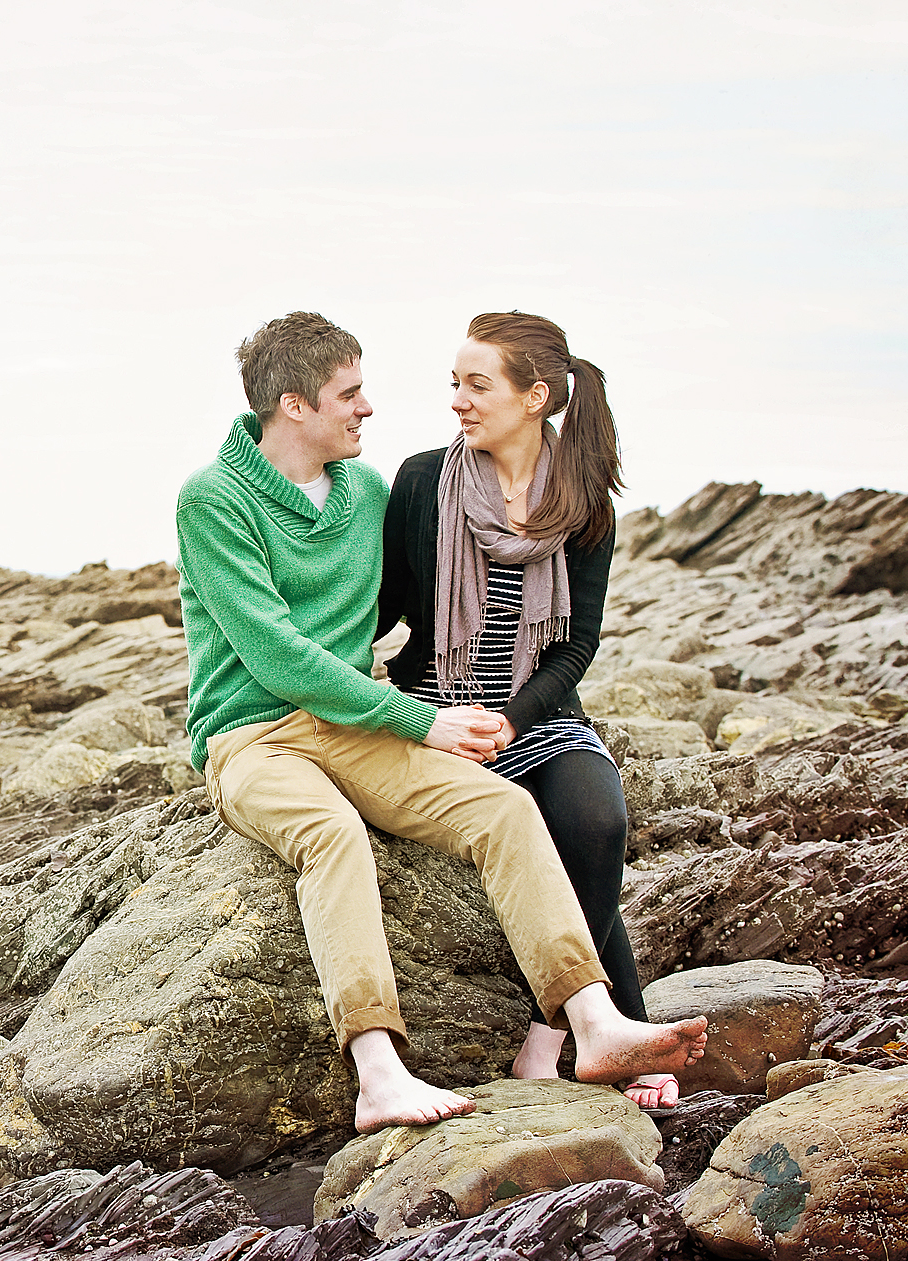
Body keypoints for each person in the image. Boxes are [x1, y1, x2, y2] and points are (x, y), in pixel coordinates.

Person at [175, 311, 706, 1133]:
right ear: (293, 405)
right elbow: (277, 654)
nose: (368, 409)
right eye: (349, 395)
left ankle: (593, 1023)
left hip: (354, 724)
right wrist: (421, 716)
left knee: (504, 807)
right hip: (252, 732)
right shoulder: (213, 500)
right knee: (332, 836)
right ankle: (378, 1073)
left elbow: (400, 608)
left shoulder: (368, 492)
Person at [376, 311, 674, 1107]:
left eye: (478, 385)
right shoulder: (418, 482)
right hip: (431, 709)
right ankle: (627, 1032)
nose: (459, 402)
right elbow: (383, 612)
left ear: (535, 396)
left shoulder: (583, 505)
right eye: (455, 385)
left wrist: (512, 718)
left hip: (535, 712)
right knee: (533, 834)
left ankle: (546, 1044)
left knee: (595, 823)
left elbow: (576, 647)